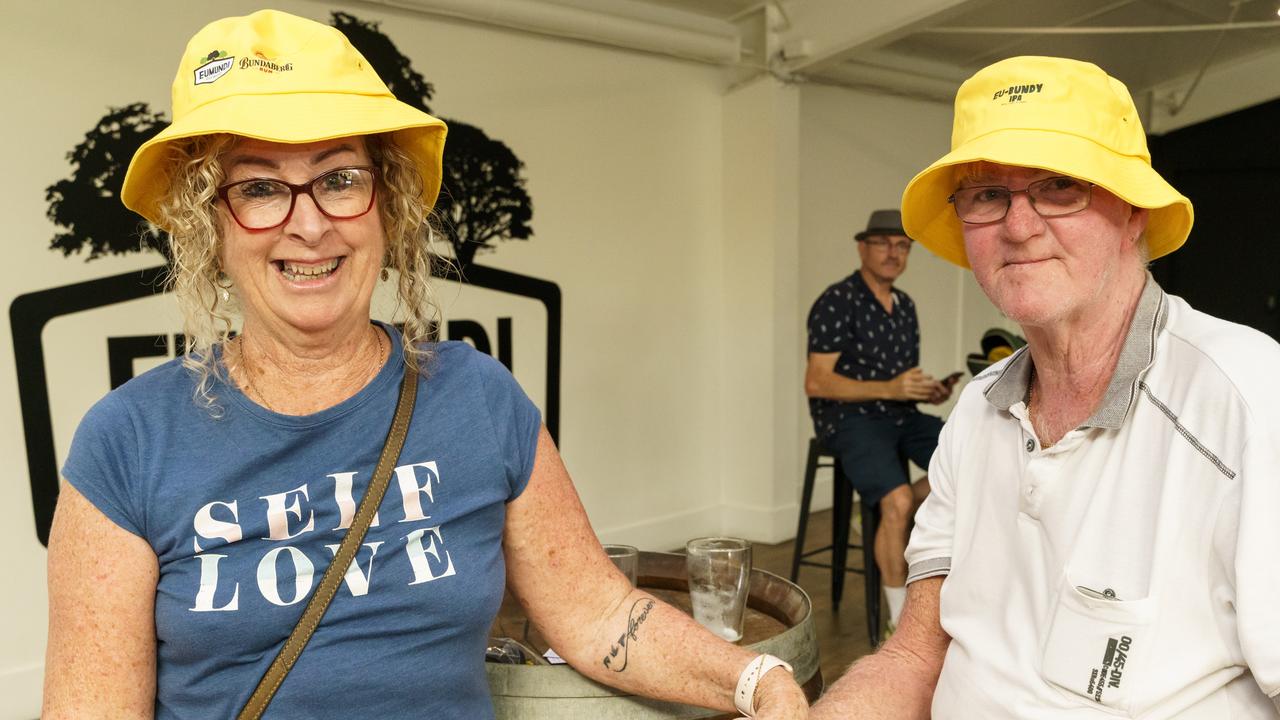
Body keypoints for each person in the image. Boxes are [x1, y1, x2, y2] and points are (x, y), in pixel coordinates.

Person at [40, 11, 808, 719]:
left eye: (341, 178)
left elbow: (597, 612)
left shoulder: (475, 396)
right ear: (212, 226)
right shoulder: (130, 441)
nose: (309, 224)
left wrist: (757, 680)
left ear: (387, 204)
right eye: (261, 188)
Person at [811, 55, 1280, 719]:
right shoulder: (978, 409)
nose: (1020, 226)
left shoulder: (1249, 399)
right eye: (987, 194)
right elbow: (916, 657)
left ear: (1134, 213)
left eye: (1062, 185)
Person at [804, 209, 955, 633]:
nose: (894, 253)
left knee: (972, 462)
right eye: (884, 243)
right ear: (862, 247)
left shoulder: (904, 306)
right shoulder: (838, 300)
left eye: (902, 245)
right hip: (849, 419)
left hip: (899, 415)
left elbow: (899, 380)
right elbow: (817, 382)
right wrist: (891, 389)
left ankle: (888, 504)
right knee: (898, 504)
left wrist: (926, 390)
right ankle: (899, 620)